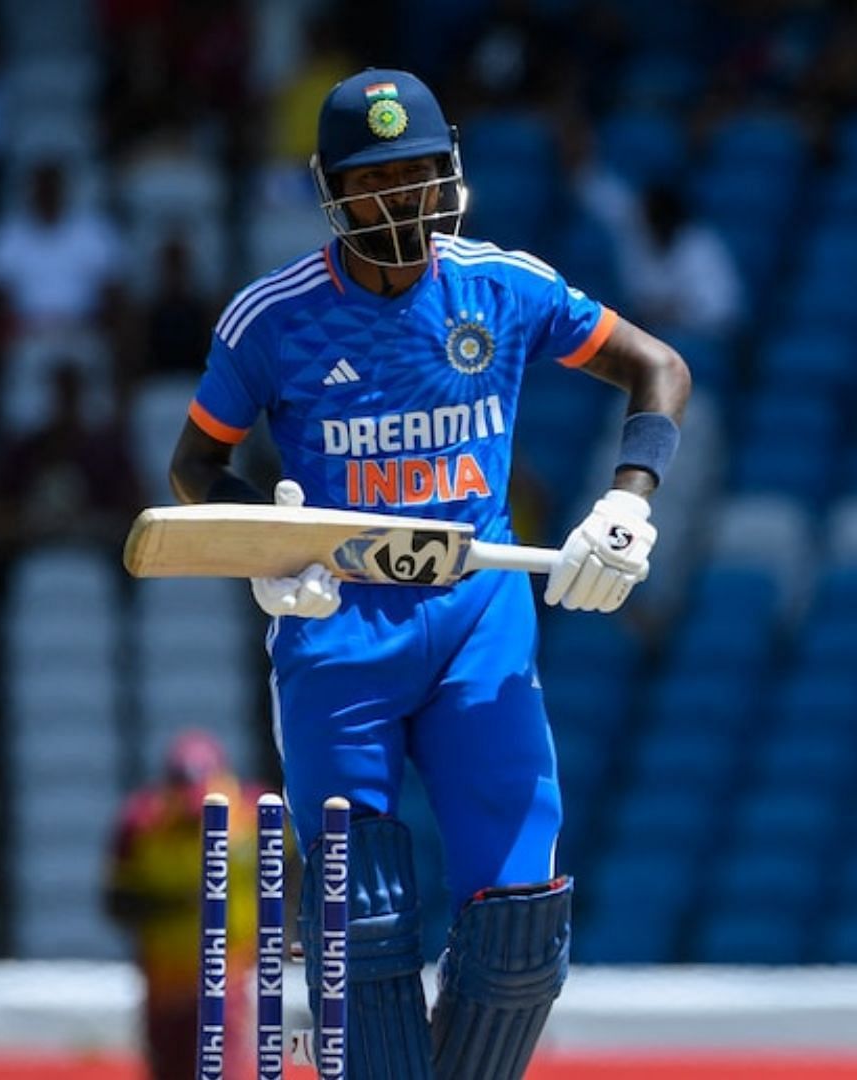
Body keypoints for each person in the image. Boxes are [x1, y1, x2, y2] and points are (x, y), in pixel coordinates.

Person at [166, 69, 691, 1078]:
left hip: (476, 619)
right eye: (375, 181)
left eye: (416, 174)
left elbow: (658, 366)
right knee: (361, 935)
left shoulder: (504, 283)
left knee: (522, 942)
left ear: (449, 169)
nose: (401, 200)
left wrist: (628, 501)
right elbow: (194, 465)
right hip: (337, 631)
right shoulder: (271, 319)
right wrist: (269, 548)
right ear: (334, 192)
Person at [105, 731, 266, 1080]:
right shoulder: (142, 823)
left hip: (227, 973)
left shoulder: (254, 816)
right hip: (165, 979)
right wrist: (179, 905)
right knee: (169, 1067)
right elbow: (116, 902)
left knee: (222, 1066)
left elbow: (294, 868)